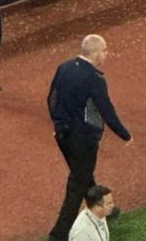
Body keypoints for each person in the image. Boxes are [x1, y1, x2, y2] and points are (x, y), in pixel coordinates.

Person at [47, 35, 132, 241]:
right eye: (104, 50)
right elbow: (106, 110)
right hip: (83, 139)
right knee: (77, 184)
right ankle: (58, 234)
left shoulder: (64, 67)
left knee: (84, 174)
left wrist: (58, 124)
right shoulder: (94, 78)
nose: (106, 53)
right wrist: (124, 134)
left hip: (63, 135)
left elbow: (51, 97)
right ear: (94, 53)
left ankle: (100, 206)